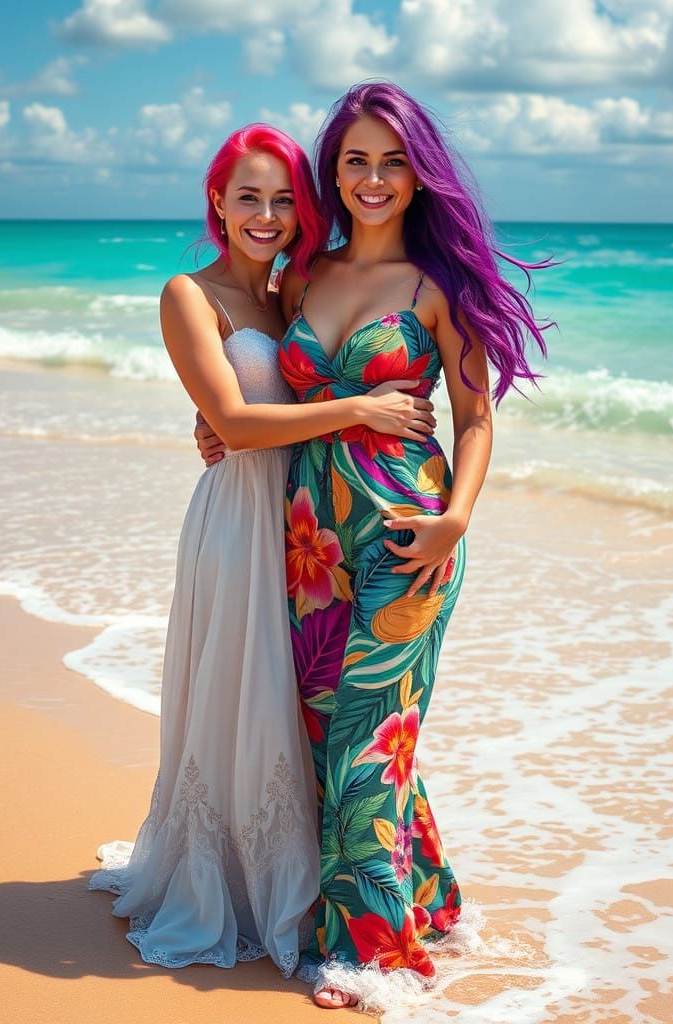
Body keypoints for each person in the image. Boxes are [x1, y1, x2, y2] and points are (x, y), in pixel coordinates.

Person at [198, 83, 550, 1011]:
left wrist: (456, 519)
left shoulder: (440, 287)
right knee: (340, 734)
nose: (374, 178)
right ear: (335, 171)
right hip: (308, 539)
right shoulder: (303, 275)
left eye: (392, 161)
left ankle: (370, 955)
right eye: (355, 160)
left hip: (408, 533)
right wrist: (214, 426)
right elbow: (263, 389)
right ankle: (432, 898)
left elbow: (475, 419)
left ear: (419, 174)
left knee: (365, 738)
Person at [88, 123, 438, 980]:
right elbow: (242, 423)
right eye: (248, 196)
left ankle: (363, 886)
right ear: (217, 201)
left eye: (283, 199)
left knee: (309, 712)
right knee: (244, 700)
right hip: (238, 523)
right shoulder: (188, 293)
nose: (267, 214)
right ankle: (241, 885)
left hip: (306, 522)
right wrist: (356, 411)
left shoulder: (290, 292)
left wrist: (237, 419)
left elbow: (285, 388)